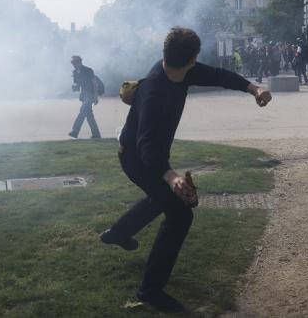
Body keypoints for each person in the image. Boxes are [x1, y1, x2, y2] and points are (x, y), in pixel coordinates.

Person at [101, 28, 272, 313]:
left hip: (143, 156)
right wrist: (170, 175)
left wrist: (253, 88)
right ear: (193, 57)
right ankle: (150, 291)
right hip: (136, 160)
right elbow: (146, 149)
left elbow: (219, 75)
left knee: (161, 199)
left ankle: (118, 233)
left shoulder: (180, 71)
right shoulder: (154, 93)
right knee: (180, 214)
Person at [69, 55, 101, 139]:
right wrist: (75, 87)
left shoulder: (88, 70)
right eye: (72, 62)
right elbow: (77, 85)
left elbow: (94, 83)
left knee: (82, 111)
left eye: (75, 62)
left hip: (90, 94)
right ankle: (96, 134)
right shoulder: (75, 72)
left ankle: (75, 131)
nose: (74, 64)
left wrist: (95, 96)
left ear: (80, 61)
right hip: (84, 95)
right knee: (89, 115)